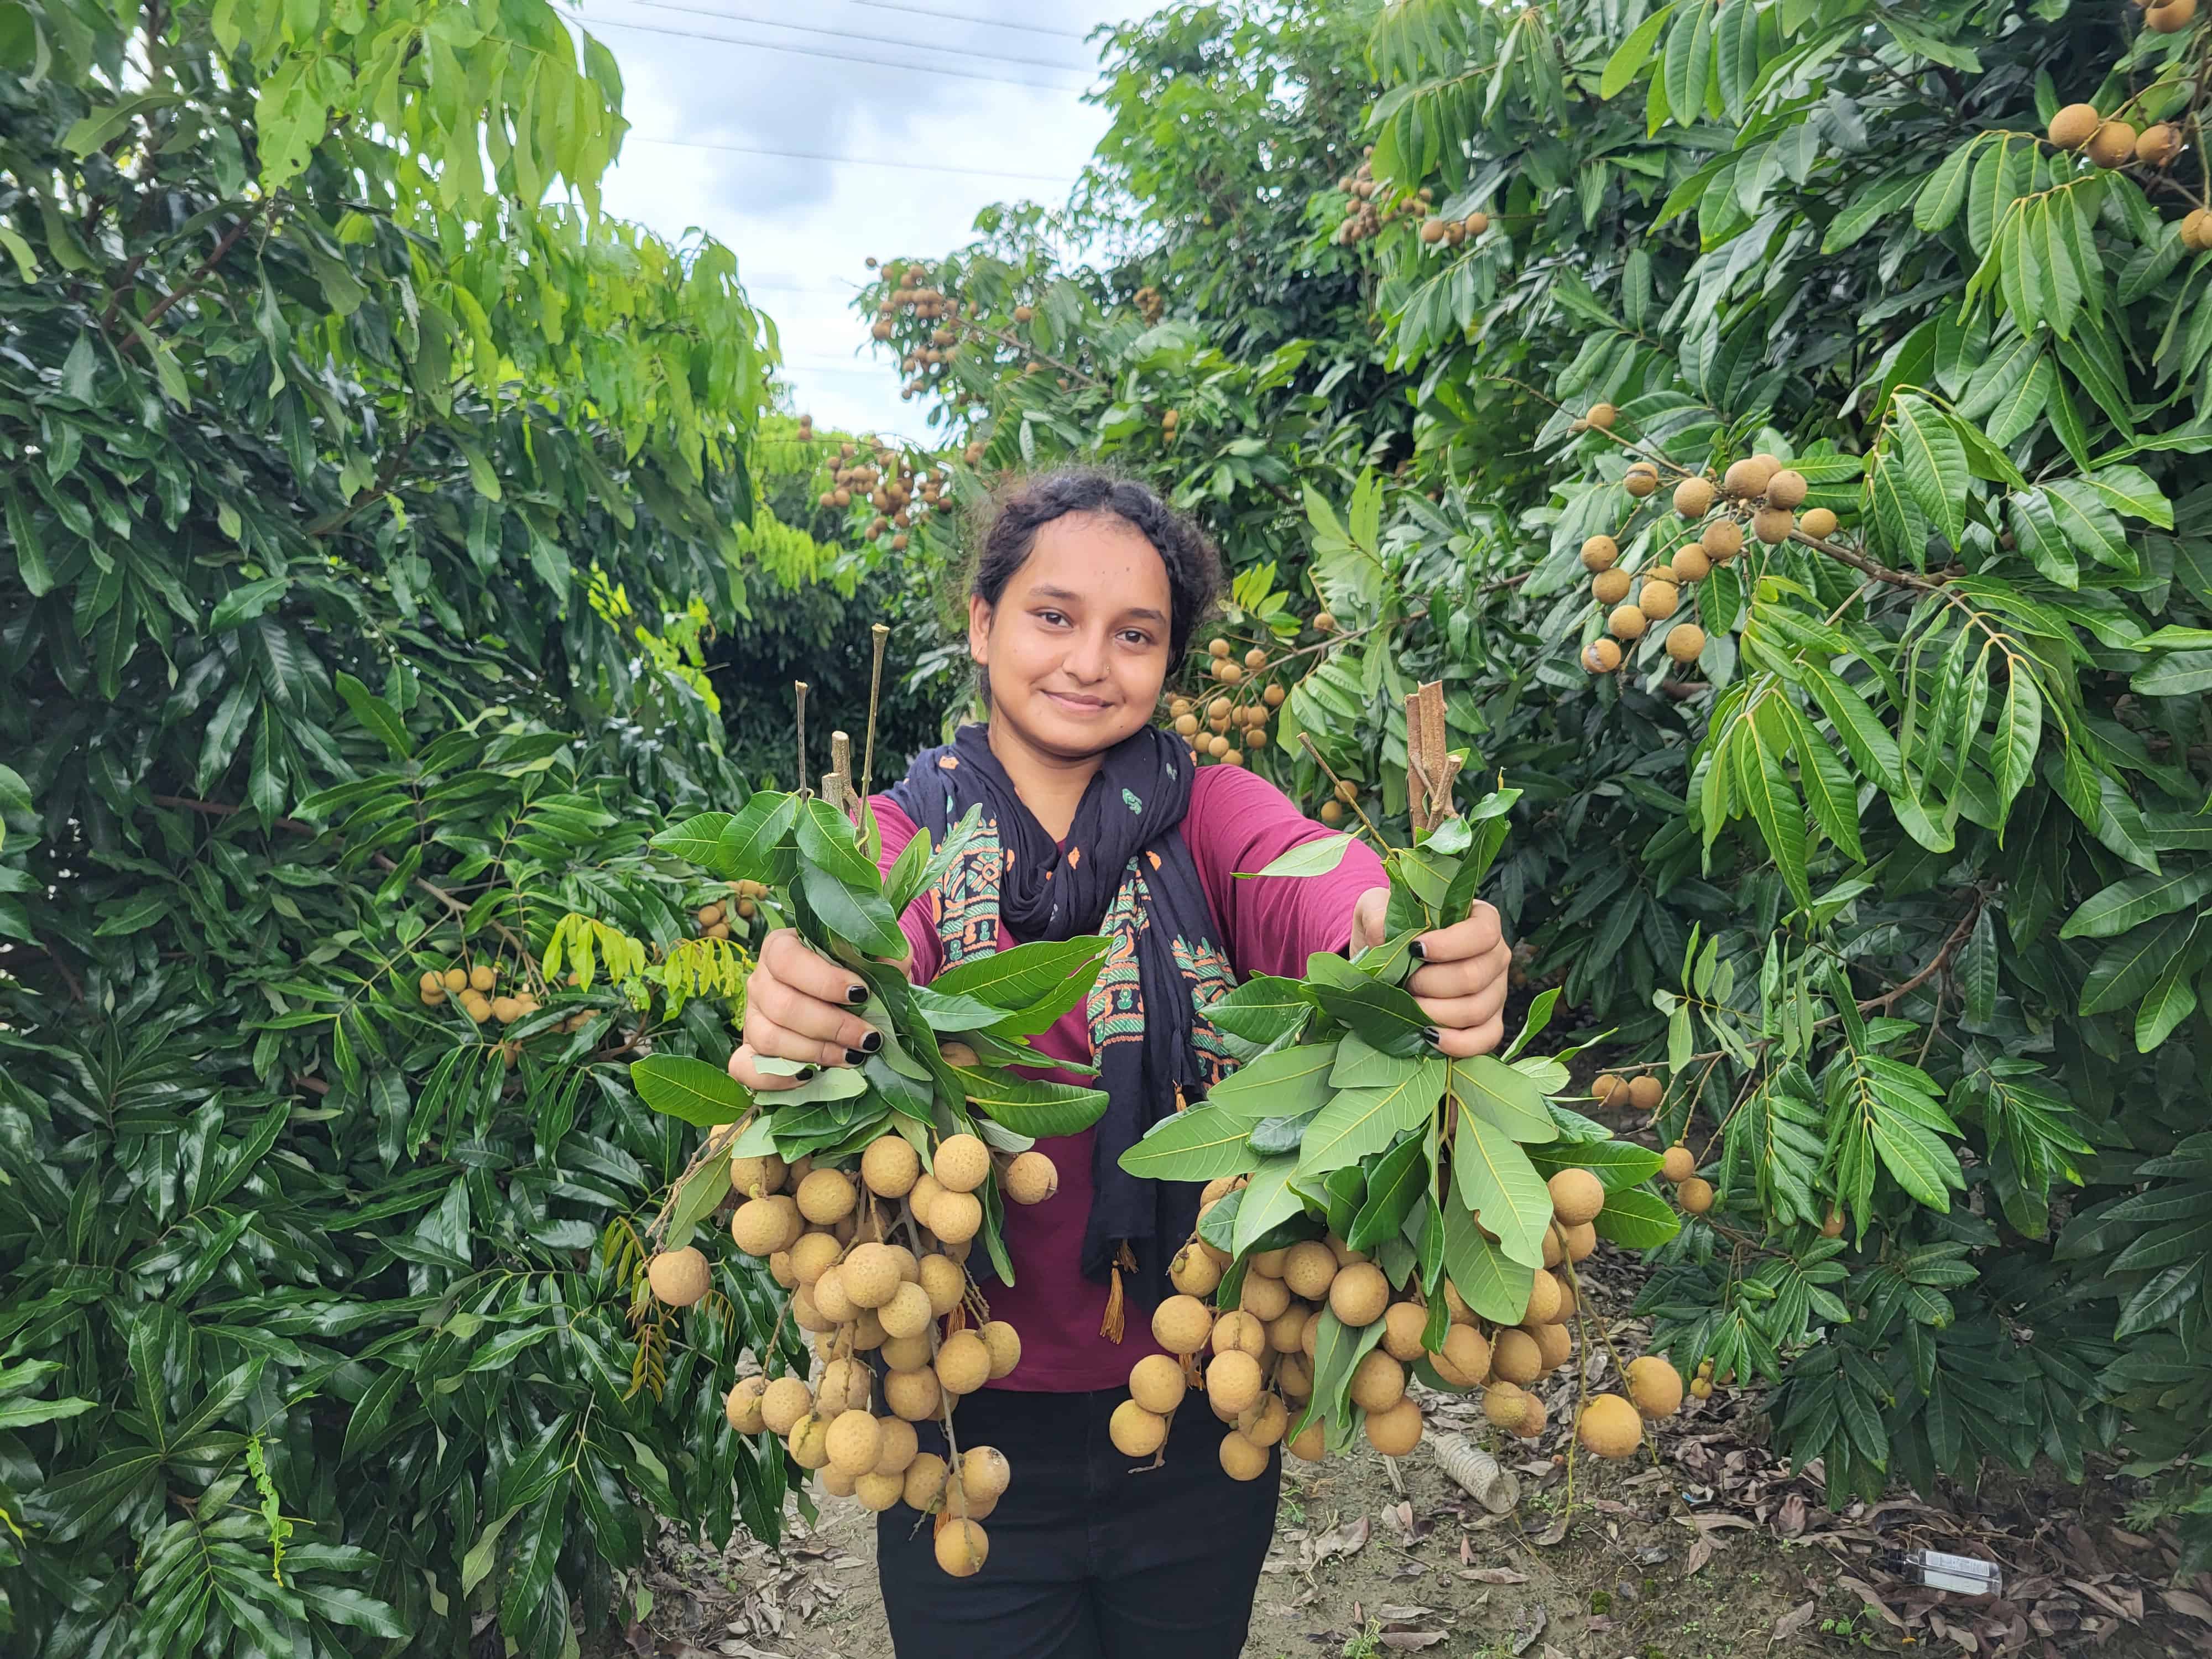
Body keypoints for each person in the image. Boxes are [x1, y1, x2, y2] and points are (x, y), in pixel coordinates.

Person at [728, 468, 1512, 1659]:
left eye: (1133, 634)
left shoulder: (1207, 815)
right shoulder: (903, 835)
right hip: (953, 1423)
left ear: (1167, 663)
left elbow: (1311, 872)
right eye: (1053, 616)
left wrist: (1396, 938)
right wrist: (803, 990)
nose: (1089, 660)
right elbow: (864, 940)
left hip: (1200, 1413)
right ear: (984, 625)